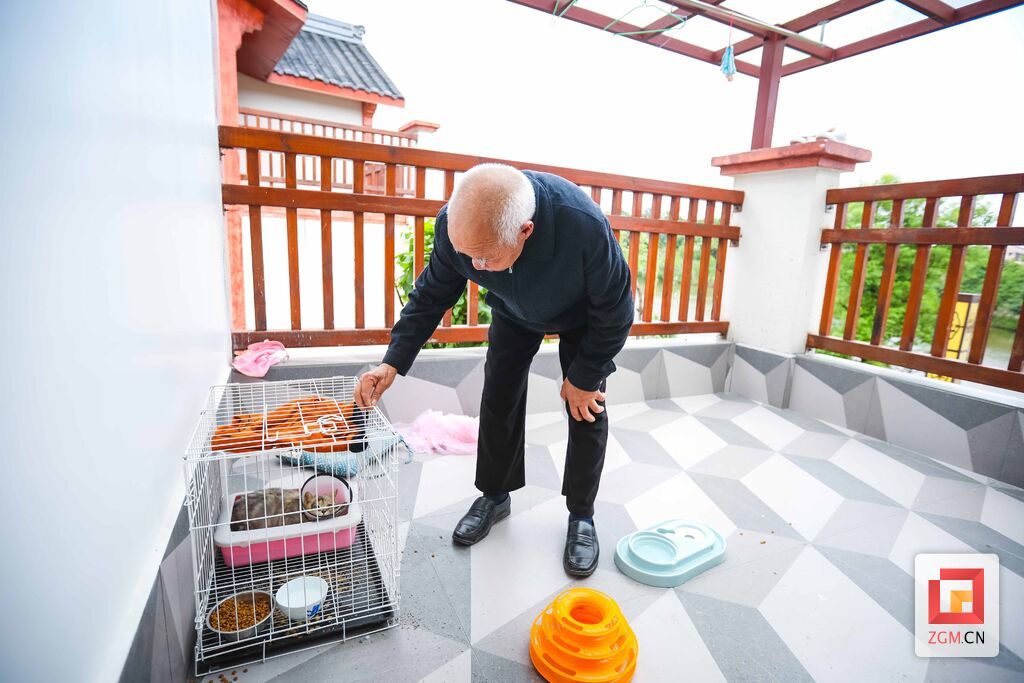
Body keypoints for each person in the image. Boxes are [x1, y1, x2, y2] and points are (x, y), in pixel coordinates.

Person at [355, 163, 633, 577]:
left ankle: (582, 515)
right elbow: (431, 295)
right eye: (468, 255)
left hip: (584, 317)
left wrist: (584, 376)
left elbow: (616, 309)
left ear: (525, 231)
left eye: (485, 257)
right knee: (499, 396)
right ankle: (495, 495)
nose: (476, 266)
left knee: (586, 407)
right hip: (514, 312)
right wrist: (392, 361)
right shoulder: (457, 226)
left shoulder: (582, 225)